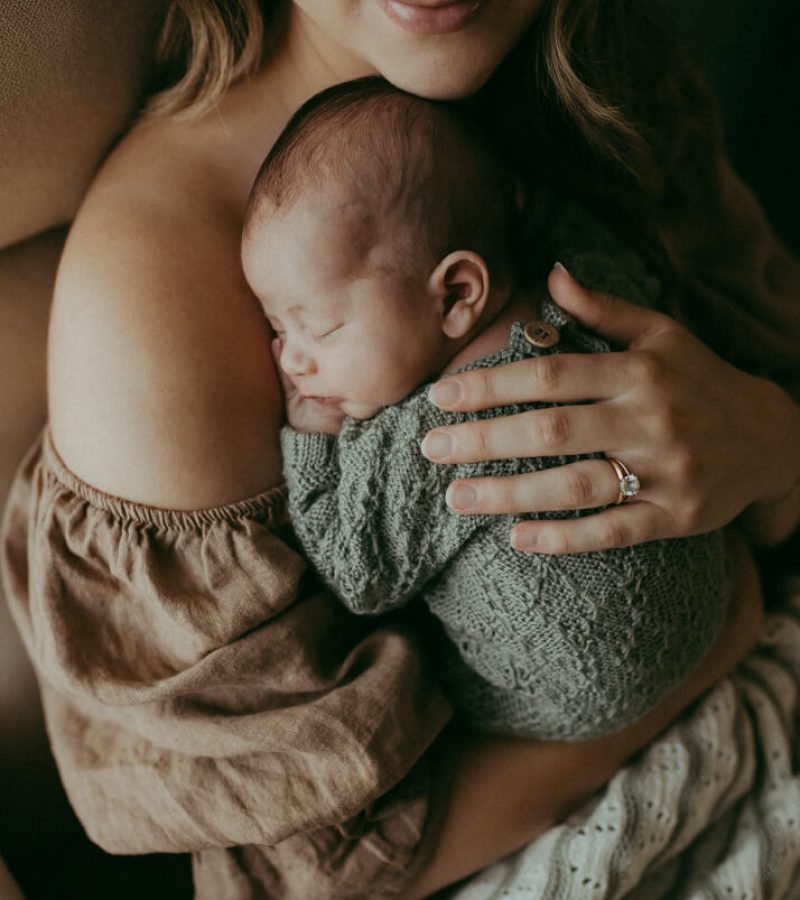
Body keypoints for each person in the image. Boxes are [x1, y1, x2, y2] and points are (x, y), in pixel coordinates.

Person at [0, 1, 797, 897]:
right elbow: (322, 866)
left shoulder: (600, 80)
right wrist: (721, 625)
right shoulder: (156, 311)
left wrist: (771, 447)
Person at [242, 76, 731, 742]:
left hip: (553, 709)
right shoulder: (586, 282)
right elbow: (611, 243)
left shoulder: (434, 437)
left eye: (319, 327)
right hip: (717, 608)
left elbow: (356, 573)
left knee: (418, 660)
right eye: (278, 328)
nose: (291, 360)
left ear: (456, 294)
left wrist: (312, 434)